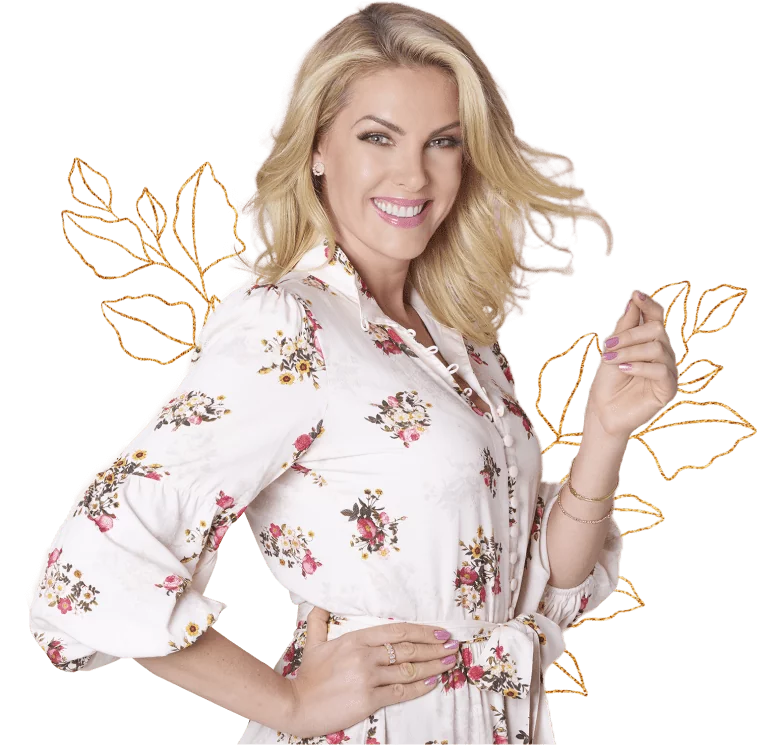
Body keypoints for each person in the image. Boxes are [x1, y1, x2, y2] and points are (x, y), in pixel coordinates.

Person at [26, 2, 680, 743]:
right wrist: (289, 704)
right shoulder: (284, 323)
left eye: (442, 141)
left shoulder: (459, 337)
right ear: (317, 149)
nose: (414, 174)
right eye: (378, 137)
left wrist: (605, 432)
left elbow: (538, 589)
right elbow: (84, 574)